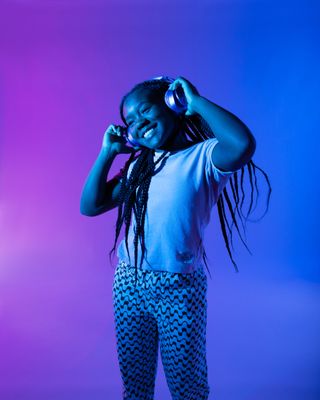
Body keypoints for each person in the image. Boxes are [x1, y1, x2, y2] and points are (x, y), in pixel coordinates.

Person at [80, 76, 271, 400]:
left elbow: (242, 145)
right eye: (131, 121)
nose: (138, 124)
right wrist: (107, 153)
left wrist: (195, 102)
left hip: (178, 289)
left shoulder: (204, 158)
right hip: (129, 283)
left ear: (172, 104)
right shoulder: (138, 166)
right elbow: (91, 205)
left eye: (144, 111)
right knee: (136, 386)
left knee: (187, 387)